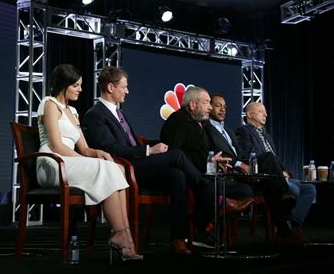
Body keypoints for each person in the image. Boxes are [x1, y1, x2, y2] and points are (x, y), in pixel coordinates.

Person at [82, 66, 250, 253]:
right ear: (111, 88)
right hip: (122, 168)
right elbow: (110, 149)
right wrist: (148, 149)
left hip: (137, 163)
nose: (128, 91)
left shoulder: (119, 113)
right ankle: (215, 198)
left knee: (177, 174)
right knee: (177, 155)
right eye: (124, 87)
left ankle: (178, 238)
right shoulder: (95, 115)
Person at [36, 64, 143, 261]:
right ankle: (121, 235)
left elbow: (85, 148)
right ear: (64, 85)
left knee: (115, 167)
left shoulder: (73, 111)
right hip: (53, 163)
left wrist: (98, 153)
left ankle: (125, 236)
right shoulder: (49, 103)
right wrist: (89, 161)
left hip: (70, 161)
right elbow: (57, 146)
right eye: (76, 85)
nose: (80, 90)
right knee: (105, 168)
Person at [160, 86, 254, 246]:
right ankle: (202, 230)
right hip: (188, 177)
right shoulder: (178, 120)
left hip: (206, 175)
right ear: (192, 105)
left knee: (245, 191)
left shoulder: (199, 125)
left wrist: (213, 162)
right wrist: (207, 162)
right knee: (212, 190)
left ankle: (209, 229)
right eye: (206, 103)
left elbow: (201, 154)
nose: (210, 107)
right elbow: (175, 153)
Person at [205, 94, 299, 241]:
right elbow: (238, 156)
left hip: (247, 172)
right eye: (218, 106)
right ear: (209, 107)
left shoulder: (228, 131)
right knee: (268, 167)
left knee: (273, 184)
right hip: (231, 171)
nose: (223, 109)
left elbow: (240, 153)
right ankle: (284, 220)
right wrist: (241, 164)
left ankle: (284, 228)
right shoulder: (208, 128)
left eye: (225, 107)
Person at [235, 102, 317, 245]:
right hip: (262, 177)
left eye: (265, 111)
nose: (266, 114)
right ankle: (286, 228)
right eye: (261, 111)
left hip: (278, 176)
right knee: (293, 188)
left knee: (310, 189)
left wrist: (283, 172)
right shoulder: (244, 131)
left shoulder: (267, 135)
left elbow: (277, 160)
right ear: (250, 114)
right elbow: (246, 156)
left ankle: (294, 224)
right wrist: (276, 170)